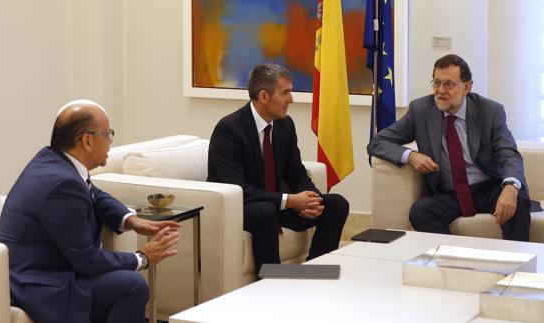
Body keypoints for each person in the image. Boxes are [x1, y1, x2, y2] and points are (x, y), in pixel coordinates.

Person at [0, 99, 180, 323]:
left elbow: (93, 193)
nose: (111, 142)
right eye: (108, 134)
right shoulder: (61, 184)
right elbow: (88, 261)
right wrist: (142, 257)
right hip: (39, 284)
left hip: (45, 272)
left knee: (124, 283)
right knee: (132, 285)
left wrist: (130, 220)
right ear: (87, 141)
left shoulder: (53, 161)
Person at [367, 54, 531, 241]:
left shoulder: (490, 111)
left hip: (488, 188)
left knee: (518, 202)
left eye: (449, 84)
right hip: (450, 194)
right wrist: (410, 156)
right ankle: (453, 258)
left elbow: (508, 153)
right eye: (436, 83)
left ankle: (516, 265)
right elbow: (377, 142)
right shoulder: (420, 110)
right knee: (420, 212)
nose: (440, 91)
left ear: (467, 87)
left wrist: (510, 187)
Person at [207, 64, 349, 271]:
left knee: (336, 204)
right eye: (285, 93)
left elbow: (295, 171)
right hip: (244, 206)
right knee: (265, 211)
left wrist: (312, 199)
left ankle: (315, 271)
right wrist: (290, 201)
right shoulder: (229, 129)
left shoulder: (284, 124)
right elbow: (237, 189)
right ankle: (271, 281)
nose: (291, 99)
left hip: (277, 204)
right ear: (264, 96)